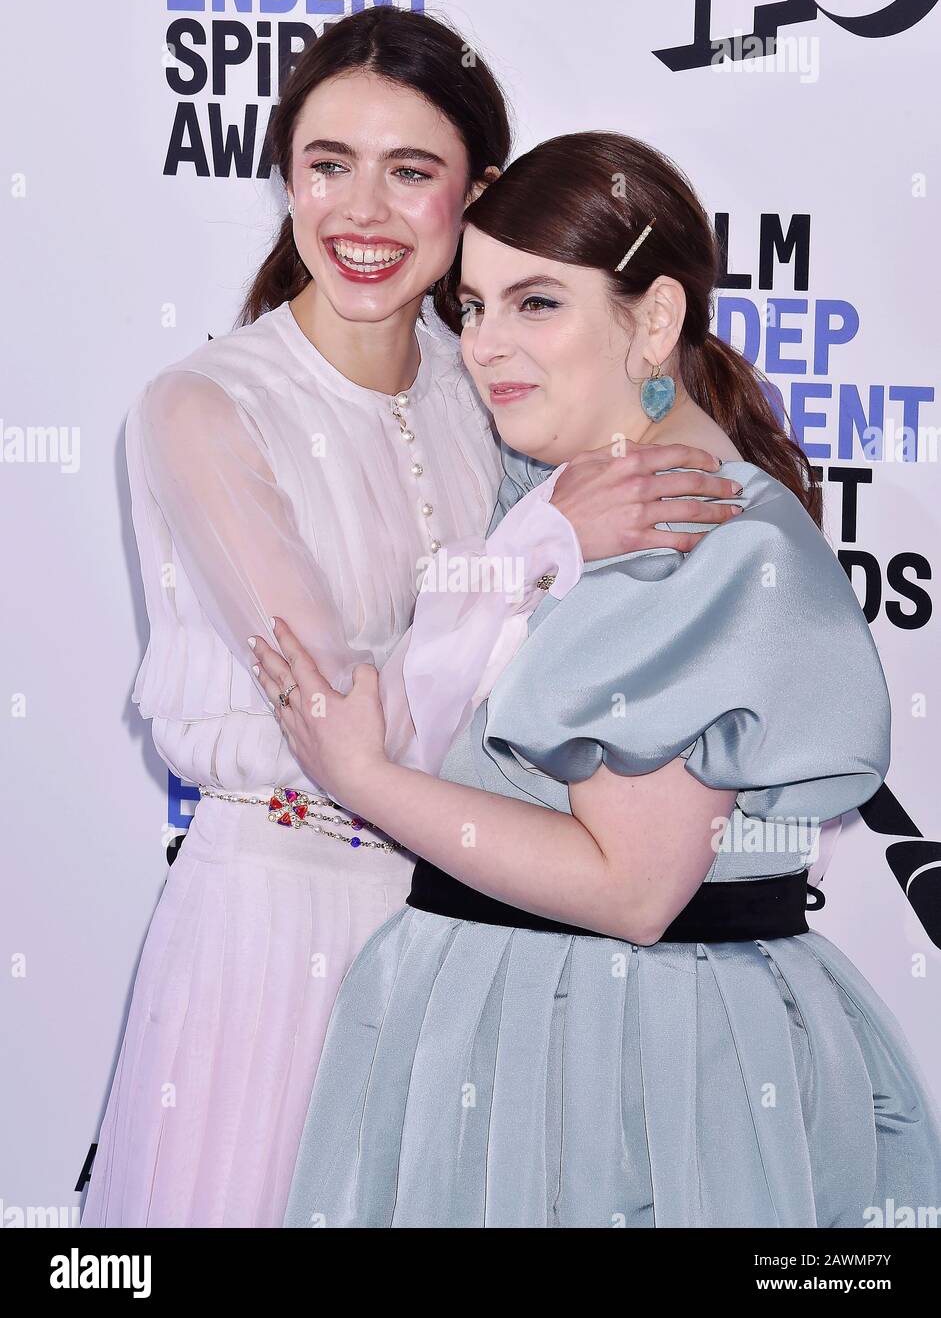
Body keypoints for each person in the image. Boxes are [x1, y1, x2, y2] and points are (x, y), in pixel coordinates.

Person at [80, 12, 738, 1229]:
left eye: (410, 171)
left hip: (471, 932)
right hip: (274, 927)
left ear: (476, 195)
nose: (361, 212)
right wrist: (544, 543)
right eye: (328, 164)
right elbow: (349, 724)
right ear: (285, 178)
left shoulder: (484, 379)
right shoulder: (200, 411)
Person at [261, 131, 941, 1229]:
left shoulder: (675, 530)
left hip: (598, 1062)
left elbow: (631, 890)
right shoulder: (576, 489)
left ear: (655, 320)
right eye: (473, 306)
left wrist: (356, 774)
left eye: (535, 303)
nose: (485, 346)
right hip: (550, 1029)